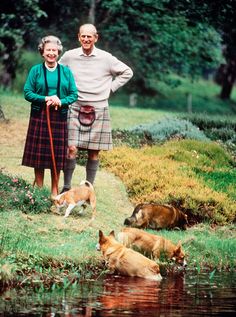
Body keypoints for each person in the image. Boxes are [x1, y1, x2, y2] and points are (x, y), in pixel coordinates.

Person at [59, 23, 133, 192]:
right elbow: (59, 73)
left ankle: (87, 188)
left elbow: (127, 72)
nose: (86, 39)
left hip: (98, 108)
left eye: (89, 36)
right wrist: (64, 91)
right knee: (71, 148)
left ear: (96, 38)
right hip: (75, 106)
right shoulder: (69, 56)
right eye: (83, 36)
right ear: (78, 37)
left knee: (94, 152)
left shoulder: (106, 58)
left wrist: (111, 88)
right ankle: (66, 187)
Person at [22, 35, 78, 197]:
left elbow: (74, 94)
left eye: (54, 50)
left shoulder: (66, 72)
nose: (51, 53)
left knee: (57, 157)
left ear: (59, 52)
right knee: (38, 157)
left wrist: (60, 101)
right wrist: (45, 98)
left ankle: (54, 191)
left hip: (59, 118)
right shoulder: (35, 71)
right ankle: (39, 190)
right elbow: (27, 93)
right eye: (48, 50)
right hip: (39, 117)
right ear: (42, 52)